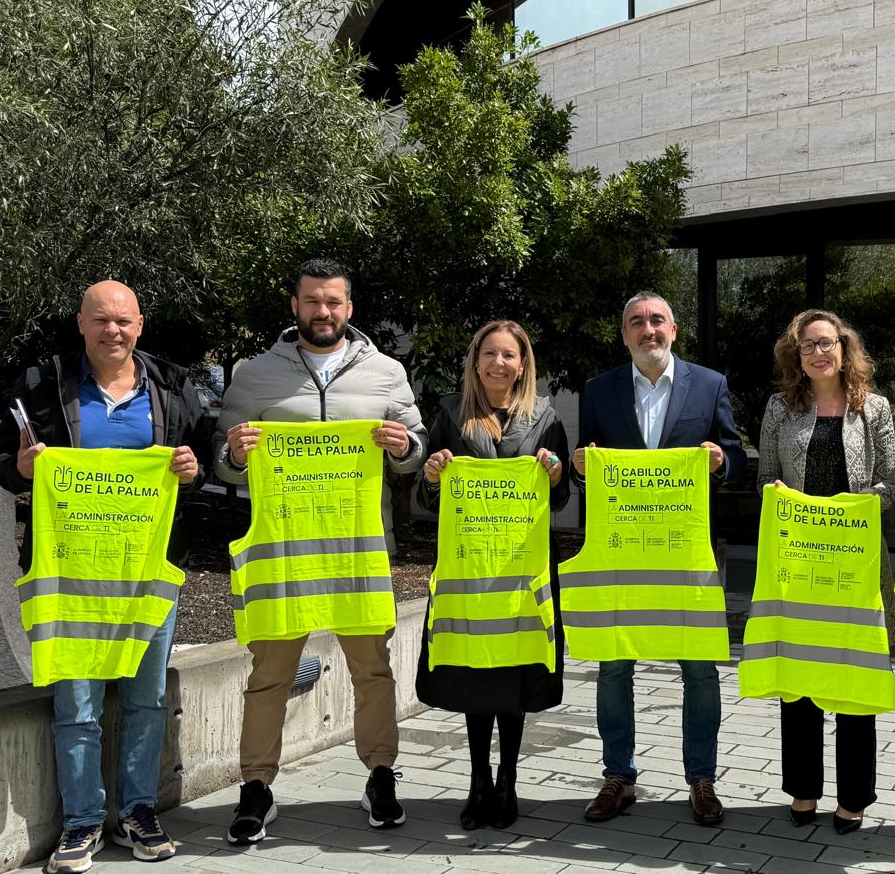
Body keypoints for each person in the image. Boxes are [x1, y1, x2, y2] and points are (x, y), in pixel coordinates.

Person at [0, 280, 206, 874]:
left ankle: (138, 810)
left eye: (124, 321)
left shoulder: (173, 387)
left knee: (145, 698)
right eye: (101, 320)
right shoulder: (41, 385)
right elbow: (1, 461)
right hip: (72, 577)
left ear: (141, 325)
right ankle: (81, 821)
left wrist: (191, 467)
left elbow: (202, 460)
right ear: (82, 324)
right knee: (76, 703)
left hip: (150, 573)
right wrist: (23, 468)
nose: (114, 330)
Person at [216, 258, 427, 843]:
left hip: (359, 547)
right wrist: (235, 452)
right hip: (282, 550)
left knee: (373, 670)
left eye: (333, 301)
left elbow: (415, 448)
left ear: (349, 307)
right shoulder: (255, 375)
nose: (323, 311)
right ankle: (256, 786)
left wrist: (404, 444)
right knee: (269, 674)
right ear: (295, 306)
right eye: (312, 301)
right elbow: (224, 462)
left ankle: (380, 775)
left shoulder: (385, 371)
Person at [570, 290, 746, 826]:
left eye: (657, 321)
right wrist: (580, 466)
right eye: (636, 323)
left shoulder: (709, 384)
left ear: (674, 328)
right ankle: (618, 777)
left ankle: (702, 779)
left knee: (699, 667)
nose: (648, 330)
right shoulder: (598, 391)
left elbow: (736, 454)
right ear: (624, 335)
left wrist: (720, 461)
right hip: (621, 552)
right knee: (614, 664)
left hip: (687, 552)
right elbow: (587, 466)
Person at [416, 320, 570, 830]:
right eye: (489, 354)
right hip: (469, 572)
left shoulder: (545, 419)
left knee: (516, 675)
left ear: (523, 363)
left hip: (523, 573)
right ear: (475, 360)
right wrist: (433, 475)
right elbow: (428, 497)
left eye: (509, 355)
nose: (498, 363)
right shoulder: (451, 415)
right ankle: (477, 778)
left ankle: (508, 781)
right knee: (474, 674)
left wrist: (554, 475)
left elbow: (563, 498)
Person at [755, 309, 895, 835]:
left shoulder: (874, 408)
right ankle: (803, 789)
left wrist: (860, 505)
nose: (819, 353)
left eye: (828, 343)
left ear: (845, 348)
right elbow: (767, 477)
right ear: (797, 356)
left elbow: (892, 482)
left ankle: (854, 797)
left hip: (856, 564)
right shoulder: (779, 407)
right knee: (800, 679)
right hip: (797, 563)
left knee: (853, 675)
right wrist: (774, 494)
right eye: (808, 346)